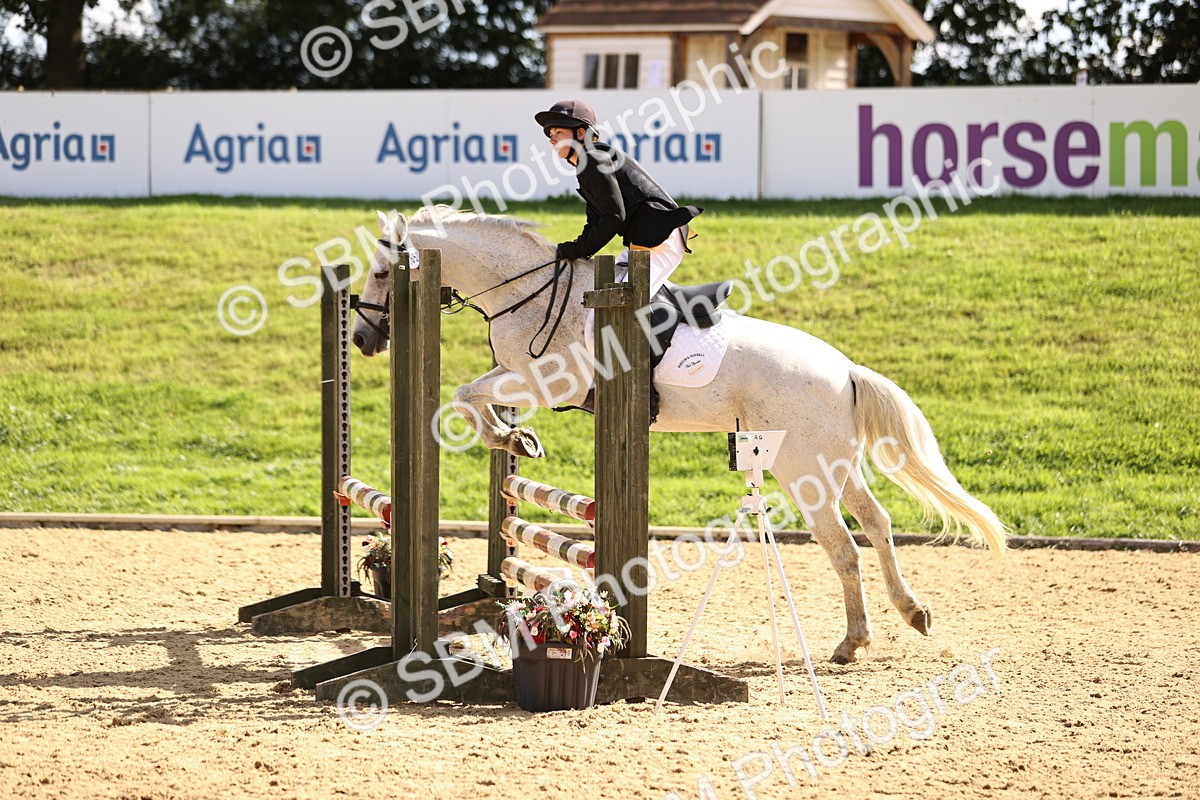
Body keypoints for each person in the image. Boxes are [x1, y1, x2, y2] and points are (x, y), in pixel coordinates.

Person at [534, 99, 701, 294]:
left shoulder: (593, 159)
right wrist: (576, 248)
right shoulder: (589, 161)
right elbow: (596, 219)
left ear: (581, 133)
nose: (552, 140)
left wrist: (578, 250)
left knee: (624, 301)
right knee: (604, 294)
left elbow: (613, 216)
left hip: (660, 239)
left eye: (558, 133)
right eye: (551, 134)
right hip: (648, 239)